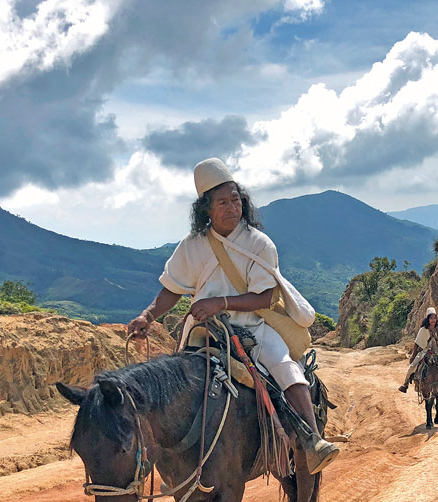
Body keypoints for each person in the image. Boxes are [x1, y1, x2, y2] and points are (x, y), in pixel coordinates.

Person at [128, 158, 339, 474]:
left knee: (286, 369)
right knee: (171, 386)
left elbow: (265, 297)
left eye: (236, 200)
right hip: (204, 333)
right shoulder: (191, 246)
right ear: (207, 209)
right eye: (222, 202)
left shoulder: (258, 243)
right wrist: (148, 316)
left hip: (255, 329)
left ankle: (312, 441)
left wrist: (219, 303)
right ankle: (165, 462)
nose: (231, 207)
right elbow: (172, 288)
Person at [398, 307, 438, 395]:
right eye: (431, 318)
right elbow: (417, 343)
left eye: (434, 318)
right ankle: (405, 384)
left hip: (437, 353)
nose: (433, 320)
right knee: (413, 366)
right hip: (425, 352)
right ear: (428, 319)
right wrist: (413, 355)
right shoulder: (423, 330)